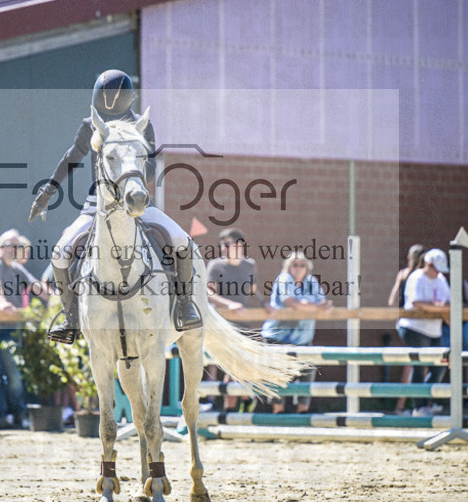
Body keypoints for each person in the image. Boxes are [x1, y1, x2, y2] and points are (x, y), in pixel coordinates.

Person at [28, 69, 202, 344]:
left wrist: (131, 183)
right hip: (97, 205)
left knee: (181, 240)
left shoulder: (142, 124)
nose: (107, 105)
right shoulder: (91, 125)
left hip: (137, 201)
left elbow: (150, 166)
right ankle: (70, 317)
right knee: (61, 253)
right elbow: (72, 158)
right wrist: (47, 192)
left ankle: (185, 305)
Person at [0, 229, 49, 429]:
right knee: (13, 374)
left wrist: (57, 301)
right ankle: (17, 414)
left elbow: (36, 286)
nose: (13, 249)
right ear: (0, 246)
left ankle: (0, 417)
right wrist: (2, 303)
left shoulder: (16, 268)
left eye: (16, 246)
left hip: (13, 328)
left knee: (5, 373)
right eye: (9, 244)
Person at [261, 251, 333, 413]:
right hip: (278, 337)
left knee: (307, 374)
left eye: (302, 265)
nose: (299, 268)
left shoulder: (311, 281)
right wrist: (311, 305)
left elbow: (324, 304)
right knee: (278, 377)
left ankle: (302, 413)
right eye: (295, 264)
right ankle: (277, 414)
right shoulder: (284, 279)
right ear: (288, 266)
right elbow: (291, 302)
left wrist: (312, 305)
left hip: (303, 338)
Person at [204, 228, 261, 411]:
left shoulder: (249, 265)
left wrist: (265, 303)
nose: (223, 248)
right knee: (221, 364)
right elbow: (209, 293)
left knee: (238, 366)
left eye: (227, 244)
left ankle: (239, 404)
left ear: (239, 245)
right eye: (221, 245)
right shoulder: (216, 265)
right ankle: (215, 401)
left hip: (242, 324)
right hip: (220, 323)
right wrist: (229, 304)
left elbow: (252, 289)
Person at [397, 248, 451, 417]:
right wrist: (438, 308)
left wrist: (436, 309)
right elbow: (417, 302)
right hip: (414, 328)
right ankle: (418, 406)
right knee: (419, 367)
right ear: (428, 264)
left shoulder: (441, 279)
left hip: (434, 330)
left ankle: (426, 400)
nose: (438, 273)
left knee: (440, 367)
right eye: (435, 269)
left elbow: (449, 303)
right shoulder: (416, 277)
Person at [388, 244, 425, 414]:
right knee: (416, 364)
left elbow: (393, 300)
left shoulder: (403, 273)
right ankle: (411, 405)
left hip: (405, 322)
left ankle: (411, 405)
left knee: (414, 364)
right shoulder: (420, 275)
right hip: (416, 324)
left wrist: (400, 315)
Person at [440, 277, 468, 411]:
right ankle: (445, 397)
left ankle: (467, 398)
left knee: (466, 362)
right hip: (445, 326)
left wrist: (457, 306)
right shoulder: (438, 283)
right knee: (443, 361)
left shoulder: (462, 283)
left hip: (464, 325)